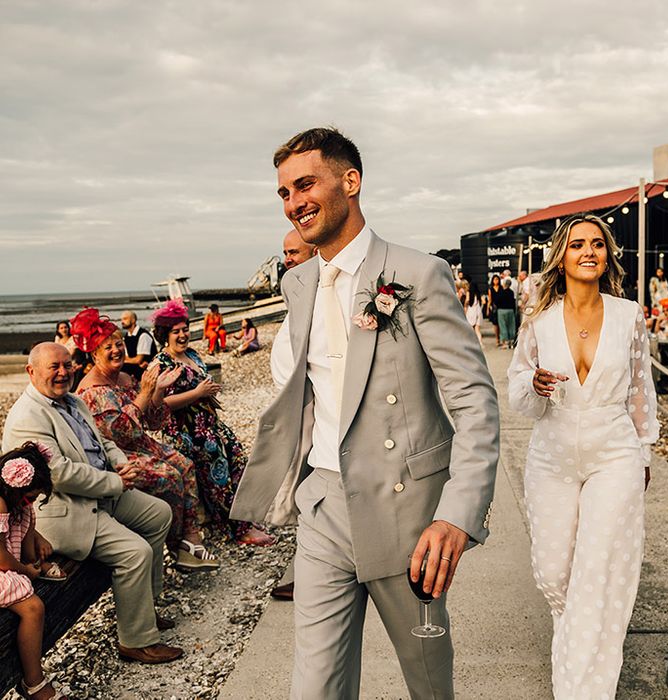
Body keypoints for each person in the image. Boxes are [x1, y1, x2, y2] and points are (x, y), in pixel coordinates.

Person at [231, 127, 499, 698]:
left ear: (350, 182)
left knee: (427, 679)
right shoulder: (299, 280)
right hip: (324, 503)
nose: (294, 201)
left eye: (305, 184)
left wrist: (456, 514)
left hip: (408, 515)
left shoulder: (418, 274)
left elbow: (475, 399)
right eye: (283, 192)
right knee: (316, 685)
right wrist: (298, 485)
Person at [507, 213, 657, 699]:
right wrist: (533, 384)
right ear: (562, 257)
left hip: (614, 454)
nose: (588, 251)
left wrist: (645, 451)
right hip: (551, 458)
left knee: (597, 572)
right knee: (554, 573)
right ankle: (577, 647)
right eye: (577, 245)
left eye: (597, 244)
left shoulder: (629, 314)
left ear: (608, 254)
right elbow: (517, 388)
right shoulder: (539, 318)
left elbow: (639, 387)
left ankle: (583, 689)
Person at [2, 343, 182, 664]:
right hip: (68, 510)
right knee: (135, 552)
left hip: (101, 493)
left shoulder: (72, 401)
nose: (63, 372)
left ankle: (145, 607)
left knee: (159, 513)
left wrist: (120, 462)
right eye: (53, 367)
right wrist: (117, 482)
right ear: (31, 372)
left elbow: (103, 441)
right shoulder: (26, 417)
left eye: (67, 365)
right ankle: (136, 641)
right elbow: (59, 474)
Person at [72, 309, 218, 570]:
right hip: (116, 455)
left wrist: (158, 391)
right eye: (108, 347)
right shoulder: (93, 390)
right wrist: (145, 393)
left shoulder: (125, 378)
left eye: (119, 344)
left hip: (140, 445)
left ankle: (190, 537)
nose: (117, 350)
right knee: (169, 477)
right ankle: (178, 547)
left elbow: (153, 421)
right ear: (94, 354)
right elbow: (120, 434)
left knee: (184, 464)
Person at [149, 301, 273, 546]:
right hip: (189, 433)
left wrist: (208, 396)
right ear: (165, 335)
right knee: (218, 479)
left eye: (185, 329)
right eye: (176, 331)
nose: (183, 335)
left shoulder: (192, 354)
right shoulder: (160, 364)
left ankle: (243, 517)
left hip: (211, 424)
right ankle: (238, 530)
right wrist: (197, 393)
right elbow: (160, 405)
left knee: (239, 464)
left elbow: (201, 385)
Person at [0, 442, 68, 700]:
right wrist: (26, 572)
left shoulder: (20, 506)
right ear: (13, 487)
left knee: (33, 575)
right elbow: (2, 559)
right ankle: (33, 682)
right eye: (30, 497)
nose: (32, 502)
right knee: (33, 607)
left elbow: (22, 549)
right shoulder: (0, 504)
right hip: (1, 561)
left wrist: (35, 550)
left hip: (6, 559)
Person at [120, 311, 157, 380]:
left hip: (148, 370)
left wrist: (125, 360)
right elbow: (126, 357)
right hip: (135, 367)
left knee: (121, 367)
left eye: (125, 319)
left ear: (133, 320)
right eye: (121, 319)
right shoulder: (127, 336)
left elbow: (138, 360)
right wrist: (125, 359)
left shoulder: (143, 335)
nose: (122, 321)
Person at [496, 276, 517, 349]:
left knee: (503, 326)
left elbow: (497, 301)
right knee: (511, 326)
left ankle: (505, 342)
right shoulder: (511, 292)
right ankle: (511, 341)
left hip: (502, 310)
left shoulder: (501, 292)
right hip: (510, 310)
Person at [464, 276, 484, 344]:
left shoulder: (468, 292)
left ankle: (471, 342)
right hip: (478, 310)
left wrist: (465, 305)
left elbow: (467, 300)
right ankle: (480, 343)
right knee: (477, 329)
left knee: (470, 328)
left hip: (471, 310)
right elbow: (483, 302)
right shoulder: (478, 293)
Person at [486, 274, 502, 346]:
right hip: (494, 307)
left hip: (501, 306)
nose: (496, 281)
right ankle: (497, 339)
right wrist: (487, 309)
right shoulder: (491, 289)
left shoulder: (501, 288)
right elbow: (490, 299)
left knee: (500, 323)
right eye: (494, 279)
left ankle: (501, 338)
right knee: (495, 324)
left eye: (497, 279)